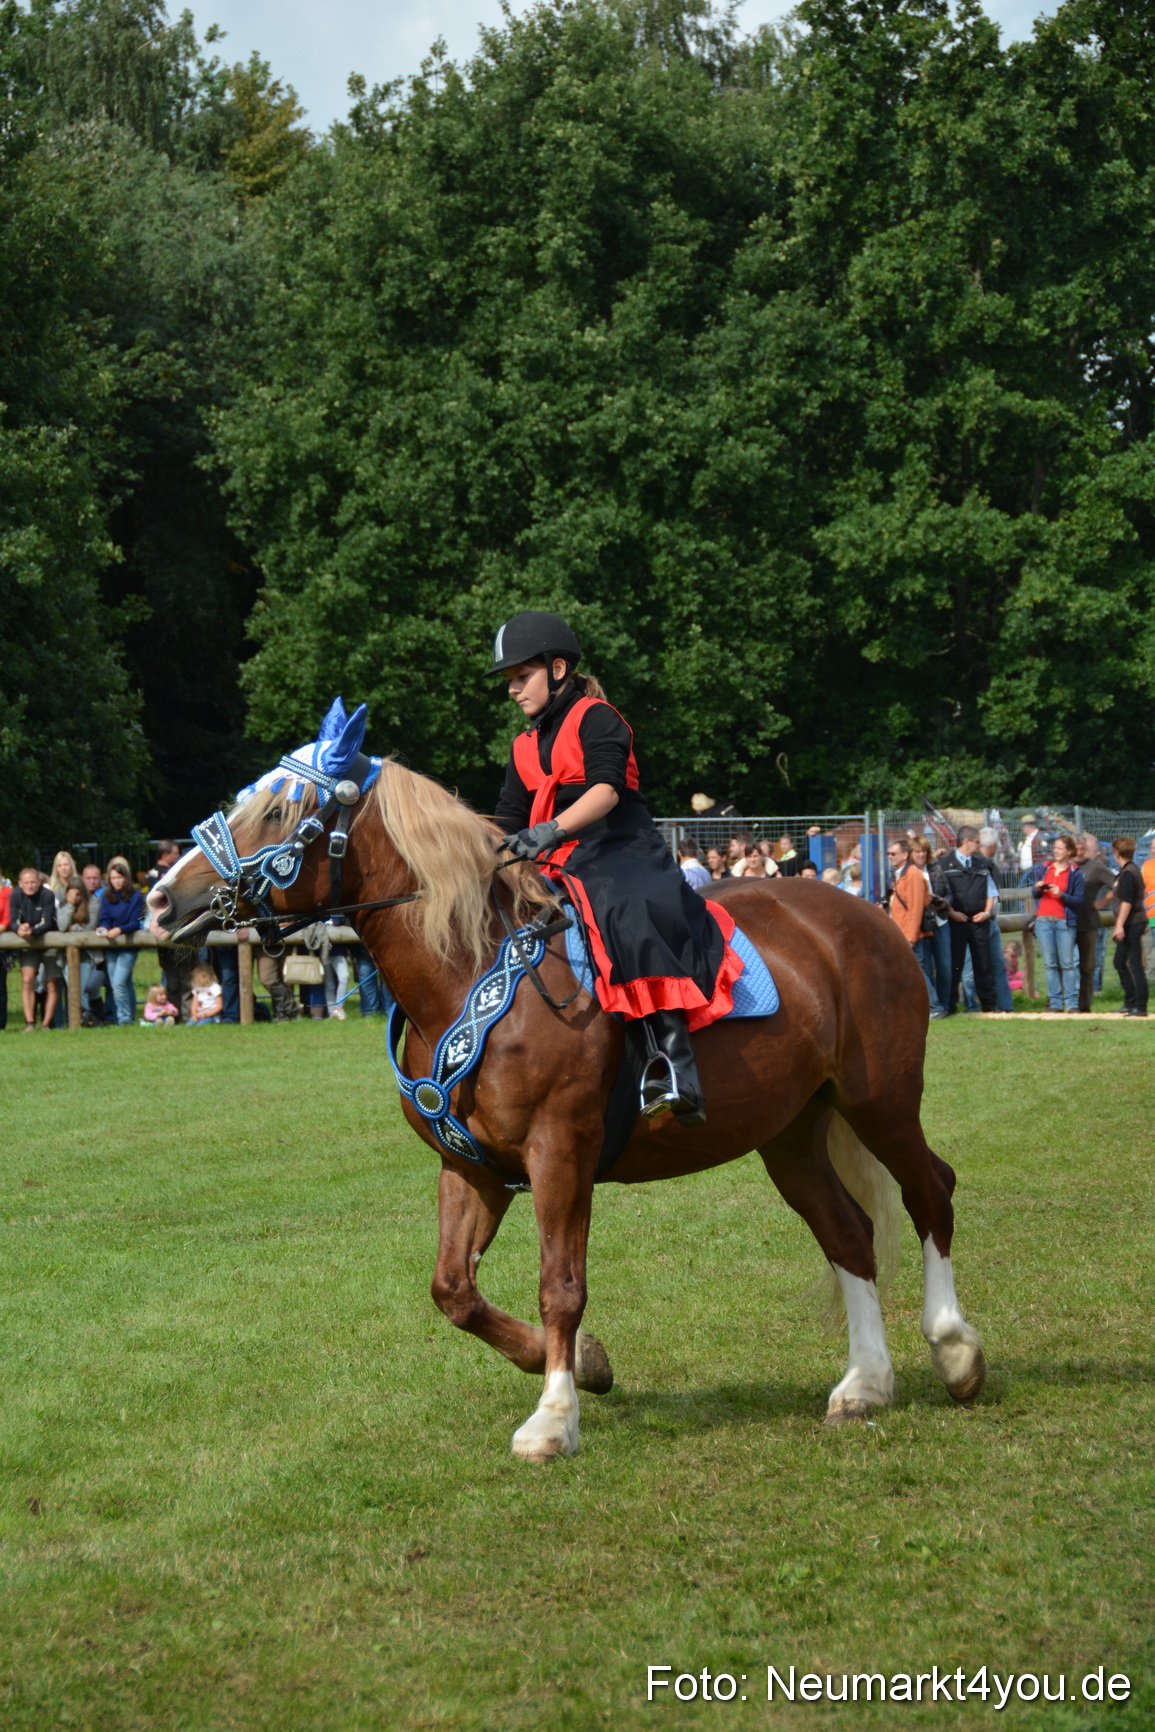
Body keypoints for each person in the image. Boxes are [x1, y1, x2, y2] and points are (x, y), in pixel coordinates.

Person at [491, 610, 741, 1125]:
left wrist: (552, 829)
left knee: (626, 909)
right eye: (510, 681)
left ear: (557, 669)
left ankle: (673, 1064)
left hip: (619, 848)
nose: (513, 690)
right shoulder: (522, 746)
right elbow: (508, 818)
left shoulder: (597, 717)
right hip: (556, 857)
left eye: (522, 677)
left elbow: (606, 791)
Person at [939, 826, 997, 1013]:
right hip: (956, 922)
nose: (980, 845)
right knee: (954, 965)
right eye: (977, 841)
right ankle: (951, 1005)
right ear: (967, 842)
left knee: (983, 964)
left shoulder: (982, 865)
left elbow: (991, 891)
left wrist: (987, 912)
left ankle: (989, 1005)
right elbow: (940, 893)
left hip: (979, 921)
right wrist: (952, 913)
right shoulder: (945, 864)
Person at [1024, 835, 1084, 1012]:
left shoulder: (1075, 873)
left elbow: (1079, 900)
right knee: (1050, 963)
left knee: (1067, 963)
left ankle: (1071, 1003)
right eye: (1055, 848)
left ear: (1069, 852)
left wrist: (1061, 895)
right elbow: (1035, 895)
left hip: (1064, 921)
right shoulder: (1045, 868)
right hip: (1043, 920)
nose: (1056, 851)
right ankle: (1055, 1003)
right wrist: (1037, 887)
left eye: (1060, 848)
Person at [887, 837, 943, 1017]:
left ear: (905, 855)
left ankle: (934, 1007)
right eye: (888, 854)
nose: (890, 857)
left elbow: (916, 908)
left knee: (918, 972)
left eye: (893, 853)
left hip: (910, 935)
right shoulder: (902, 874)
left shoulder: (913, 875)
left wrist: (910, 937)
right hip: (902, 932)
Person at [962, 828, 1014, 1012]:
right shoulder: (983, 865)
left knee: (978, 967)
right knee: (990, 966)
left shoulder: (981, 864)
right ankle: (1003, 1005)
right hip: (984, 918)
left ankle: (975, 1005)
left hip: (984, 917)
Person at [95, 856, 145, 1025]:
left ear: (125, 878)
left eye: (119, 877)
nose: (116, 881)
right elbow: (105, 918)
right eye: (113, 878)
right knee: (123, 983)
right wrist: (104, 928)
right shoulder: (106, 896)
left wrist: (119, 930)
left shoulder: (136, 896)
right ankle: (128, 1016)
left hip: (128, 945)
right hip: (111, 944)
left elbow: (135, 922)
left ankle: (123, 1019)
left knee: (118, 983)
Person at [9, 867, 58, 1031]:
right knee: (27, 978)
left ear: (39, 883)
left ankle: (46, 1024)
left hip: (48, 940)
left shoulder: (47, 895)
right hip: (29, 943)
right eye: (26, 883)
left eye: (33, 882)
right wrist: (19, 929)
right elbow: (13, 920)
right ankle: (29, 1022)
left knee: (51, 982)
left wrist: (32, 931)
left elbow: (48, 921)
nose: (30, 886)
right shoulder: (15, 895)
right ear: (20, 884)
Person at [151, 841, 193, 1021]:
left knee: (185, 978)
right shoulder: (155, 874)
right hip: (166, 931)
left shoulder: (180, 873)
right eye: (175, 853)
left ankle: (187, 1015)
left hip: (183, 932)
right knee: (173, 980)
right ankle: (174, 1015)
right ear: (165, 855)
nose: (178, 857)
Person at [1075, 834, 1114, 1012]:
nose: (1080, 851)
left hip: (1088, 923)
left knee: (1087, 966)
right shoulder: (1064, 865)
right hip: (1064, 923)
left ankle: (1084, 1005)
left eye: (1083, 848)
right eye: (1076, 847)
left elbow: (1118, 884)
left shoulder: (1096, 867)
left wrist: (1101, 903)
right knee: (1063, 964)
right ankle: (1062, 1002)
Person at [1110, 837, 1148, 1016]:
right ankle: (1130, 1001)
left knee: (1134, 964)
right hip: (1131, 922)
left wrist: (1119, 925)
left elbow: (1127, 902)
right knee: (1119, 961)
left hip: (1132, 923)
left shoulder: (1128, 873)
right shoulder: (1128, 870)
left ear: (1116, 853)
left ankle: (1140, 1006)